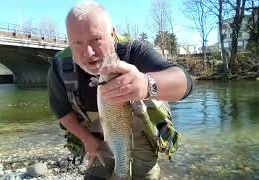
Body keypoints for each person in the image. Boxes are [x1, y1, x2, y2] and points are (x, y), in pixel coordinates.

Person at [47, 1, 193, 180]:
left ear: (112, 33)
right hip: (94, 136)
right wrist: (87, 139)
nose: (89, 52)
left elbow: (185, 82)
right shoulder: (60, 67)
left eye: (96, 39)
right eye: (77, 43)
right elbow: (62, 112)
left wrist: (147, 84)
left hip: (140, 134)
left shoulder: (134, 51)